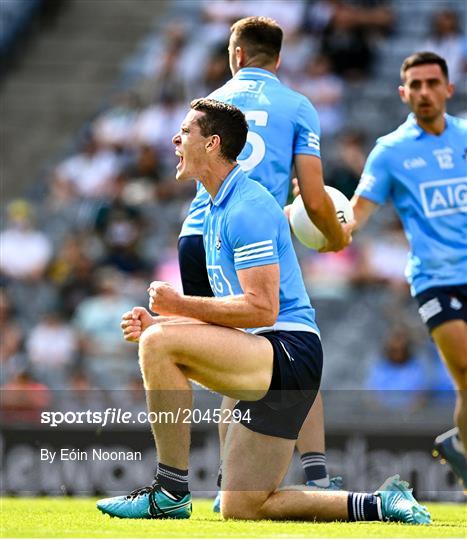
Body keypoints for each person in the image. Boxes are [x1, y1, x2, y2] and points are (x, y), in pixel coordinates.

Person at [96, 99, 430, 524]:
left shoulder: (247, 206)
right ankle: (380, 503)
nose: (175, 139)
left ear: (213, 144)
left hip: (288, 352)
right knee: (244, 507)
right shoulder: (216, 206)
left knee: (158, 345)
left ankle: (170, 490)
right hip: (270, 356)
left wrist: (174, 310)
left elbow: (262, 307)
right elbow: (227, 312)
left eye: (186, 132)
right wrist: (163, 321)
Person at [178, 16, 351, 505]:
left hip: (198, 234)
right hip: (253, 234)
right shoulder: (297, 105)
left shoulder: (212, 102)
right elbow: (315, 201)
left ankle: (221, 483)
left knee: (231, 355)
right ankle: (316, 477)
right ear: (279, 57)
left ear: (236, 55)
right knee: (291, 336)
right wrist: (338, 238)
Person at [351, 51, 467, 489]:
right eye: (414, 85)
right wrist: (320, 215)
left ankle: (461, 447)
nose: (423, 92)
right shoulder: (390, 152)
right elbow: (355, 218)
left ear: (448, 88)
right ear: (403, 93)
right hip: (436, 279)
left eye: (432, 83)